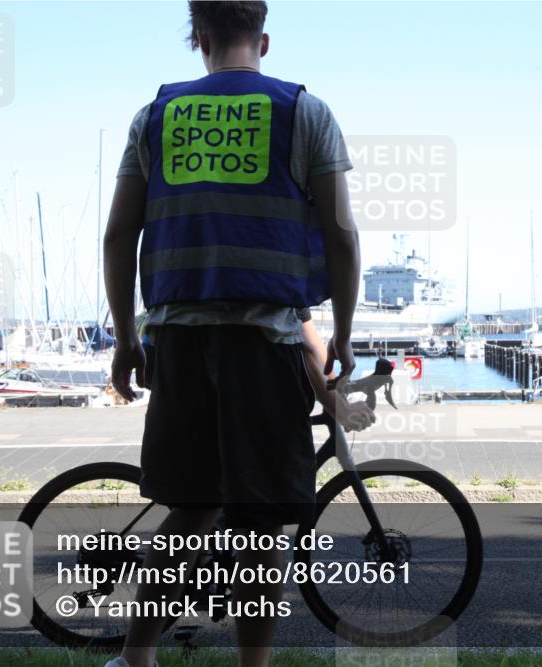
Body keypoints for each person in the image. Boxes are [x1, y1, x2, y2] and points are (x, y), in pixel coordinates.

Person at [101, 3, 369, 666]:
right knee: (260, 522)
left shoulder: (154, 116)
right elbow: (340, 235)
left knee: (189, 507)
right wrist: (344, 332)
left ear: (201, 39)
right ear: (265, 39)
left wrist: (124, 337)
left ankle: (134, 657)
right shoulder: (305, 112)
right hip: (263, 342)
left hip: (179, 340)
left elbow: (118, 235)